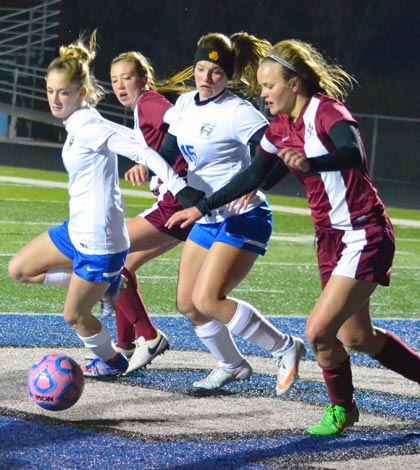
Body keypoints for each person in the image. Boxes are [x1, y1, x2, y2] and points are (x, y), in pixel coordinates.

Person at [166, 39, 420, 434]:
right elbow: (254, 174)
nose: (263, 93)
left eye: (269, 86)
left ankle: (342, 409)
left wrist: (311, 163)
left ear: (295, 84)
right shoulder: (280, 127)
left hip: (363, 231)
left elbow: (353, 154)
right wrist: (201, 207)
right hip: (330, 239)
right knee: (358, 337)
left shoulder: (327, 111)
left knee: (318, 332)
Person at [7, 31, 203, 378]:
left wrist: (181, 190)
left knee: (75, 316)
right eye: (50, 91)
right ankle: (104, 284)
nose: (54, 98)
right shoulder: (77, 123)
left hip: (100, 242)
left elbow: (142, 150)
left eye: (63, 92)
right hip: (77, 231)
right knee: (20, 269)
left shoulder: (89, 126)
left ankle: (113, 362)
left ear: (80, 93)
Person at [158, 32, 306, 395]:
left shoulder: (239, 113)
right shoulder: (183, 106)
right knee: (187, 305)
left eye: (216, 73)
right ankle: (232, 365)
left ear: (230, 76)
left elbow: (278, 153)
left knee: (208, 300)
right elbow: (165, 152)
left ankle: (286, 347)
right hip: (206, 217)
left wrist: (260, 185)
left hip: (243, 217)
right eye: (201, 69)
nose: (206, 78)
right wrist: (147, 168)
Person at [84, 51, 193, 375]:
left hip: (175, 203)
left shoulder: (149, 102)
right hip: (180, 203)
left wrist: (149, 162)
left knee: (110, 256)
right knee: (124, 265)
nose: (119, 85)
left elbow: (181, 125)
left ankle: (149, 336)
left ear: (142, 79)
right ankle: (124, 347)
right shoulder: (143, 106)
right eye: (115, 79)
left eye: (126, 77)